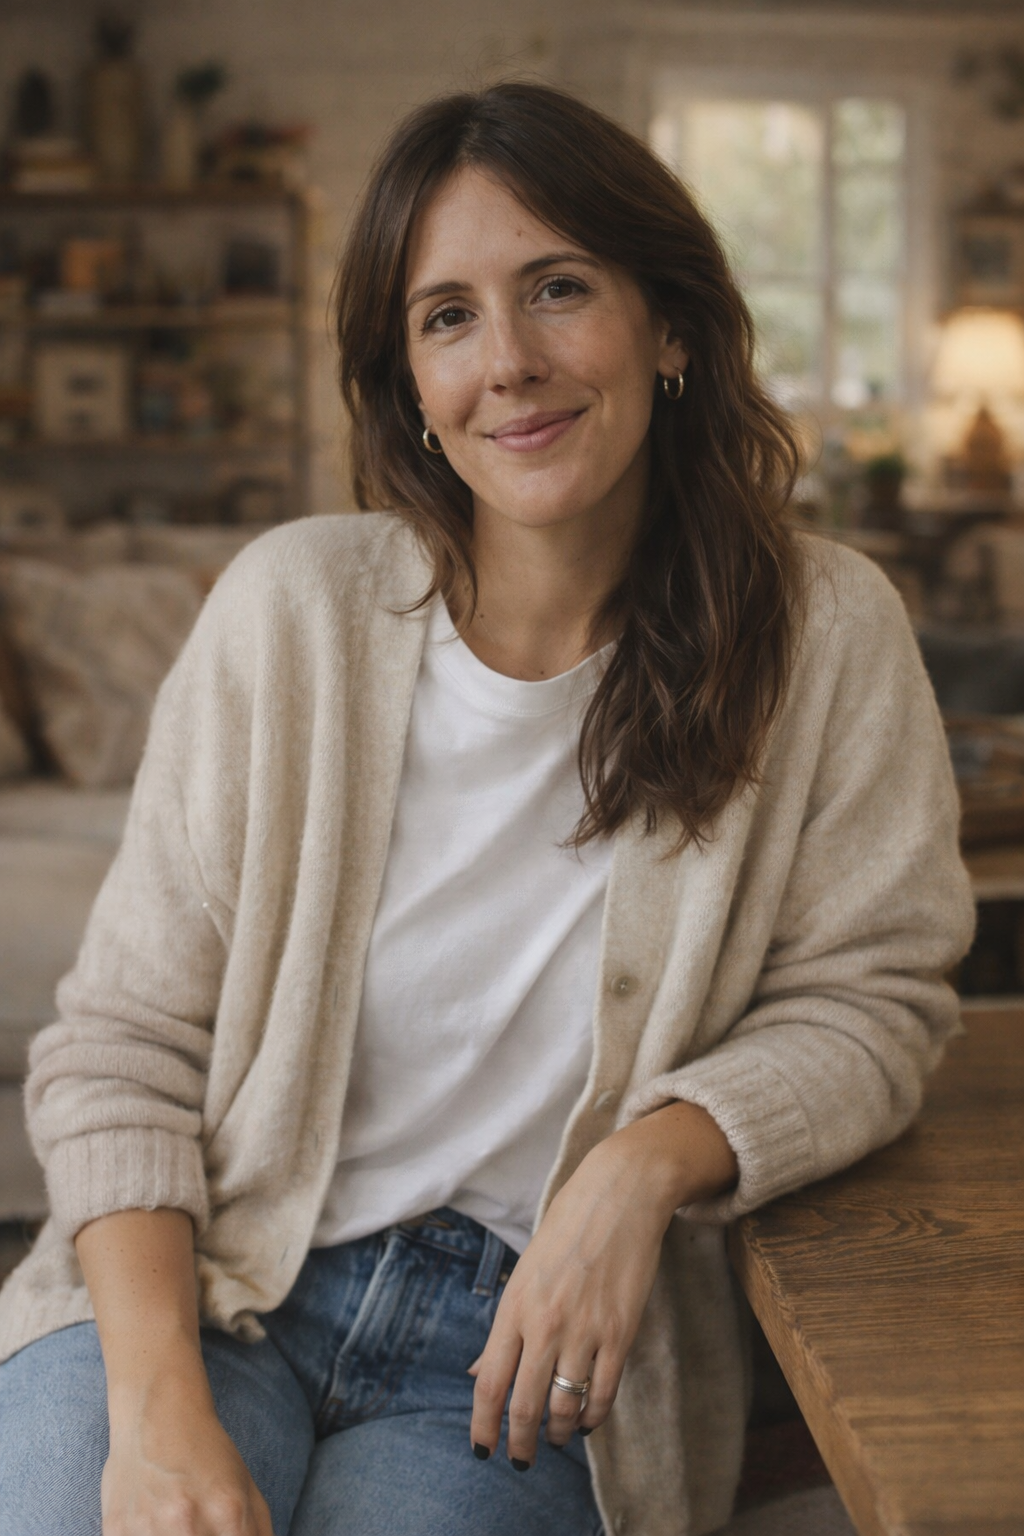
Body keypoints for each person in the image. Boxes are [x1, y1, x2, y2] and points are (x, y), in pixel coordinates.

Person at [0, 81, 972, 1536]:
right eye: (446, 315)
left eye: (559, 289)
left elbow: (878, 1002)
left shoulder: (827, 633)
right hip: (214, 1288)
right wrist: (153, 1414)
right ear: (407, 382)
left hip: (528, 1362)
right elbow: (123, 1046)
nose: (507, 362)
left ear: (674, 325)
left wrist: (645, 1165)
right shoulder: (291, 614)